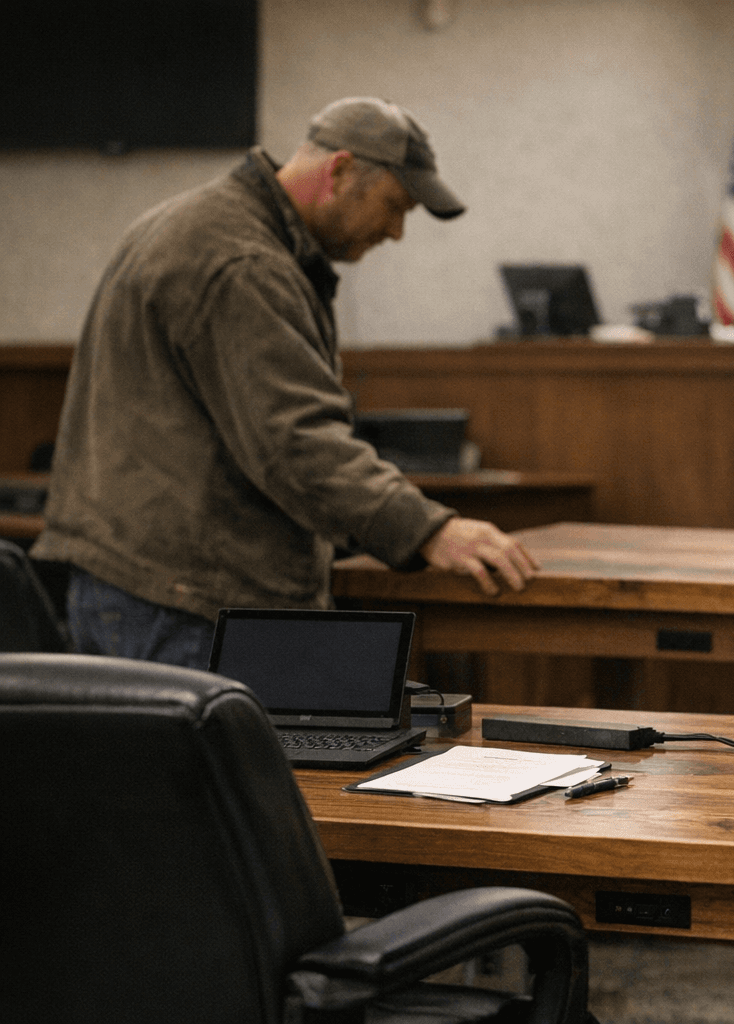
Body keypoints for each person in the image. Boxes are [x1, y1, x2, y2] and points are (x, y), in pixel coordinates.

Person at [33, 97, 539, 669]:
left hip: (137, 588)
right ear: (341, 171)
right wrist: (429, 531)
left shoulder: (200, 223)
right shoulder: (243, 261)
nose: (396, 232)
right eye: (395, 206)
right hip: (182, 604)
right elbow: (295, 444)